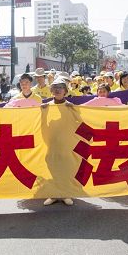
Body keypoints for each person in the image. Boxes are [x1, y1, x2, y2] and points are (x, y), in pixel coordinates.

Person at [41, 78, 74, 206]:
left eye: (60, 88)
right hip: (51, 144)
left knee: (66, 168)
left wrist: (73, 110)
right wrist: (42, 112)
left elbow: (79, 123)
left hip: (66, 144)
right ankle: (54, 194)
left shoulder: (70, 106)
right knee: (52, 167)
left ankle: (66, 193)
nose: (57, 90)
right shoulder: (46, 106)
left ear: (65, 91)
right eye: (55, 88)